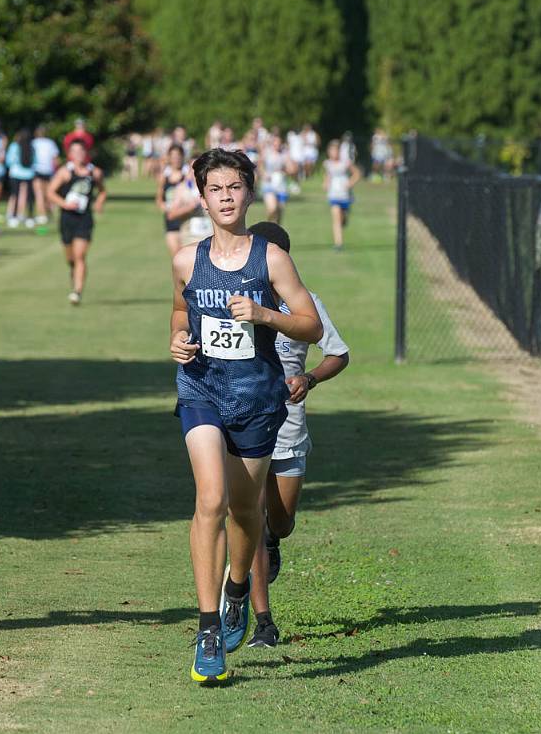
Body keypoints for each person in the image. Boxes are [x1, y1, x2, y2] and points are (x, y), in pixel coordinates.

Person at [168, 148, 322, 684]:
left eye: (235, 187)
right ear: (203, 197)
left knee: (245, 511)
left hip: (256, 397)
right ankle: (208, 628)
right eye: (216, 189)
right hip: (202, 389)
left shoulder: (271, 259)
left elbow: (311, 326)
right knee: (209, 498)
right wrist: (178, 339)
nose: (226, 197)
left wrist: (263, 315)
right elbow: (181, 308)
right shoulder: (187, 260)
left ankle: (238, 592)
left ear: (249, 193)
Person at [243, 221, 350, 648]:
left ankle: (273, 536)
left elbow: (338, 354)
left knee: (280, 522)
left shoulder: (306, 305)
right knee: (247, 519)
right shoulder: (235, 300)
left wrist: (310, 378)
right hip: (246, 418)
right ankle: (263, 622)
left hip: (288, 424)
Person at [47, 141, 106, 305]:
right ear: (70, 154)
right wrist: (64, 203)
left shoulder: (95, 172)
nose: (78, 154)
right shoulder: (65, 172)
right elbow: (50, 192)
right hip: (67, 219)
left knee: (80, 256)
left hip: (84, 219)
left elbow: (102, 191)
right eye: (75, 151)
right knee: (71, 258)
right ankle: (74, 276)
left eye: (81, 151)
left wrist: (99, 202)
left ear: (86, 153)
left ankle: (77, 291)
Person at [156, 143, 196, 255]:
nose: (176, 159)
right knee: (176, 256)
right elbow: (159, 199)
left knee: (187, 257)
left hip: (187, 220)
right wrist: (165, 207)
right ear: (169, 157)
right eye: (173, 156)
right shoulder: (164, 177)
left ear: (182, 156)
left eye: (178, 156)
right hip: (171, 221)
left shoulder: (188, 175)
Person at [323, 138, 361, 251]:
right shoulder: (327, 163)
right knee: (336, 218)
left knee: (342, 219)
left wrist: (350, 183)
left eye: (335, 150)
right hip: (333, 194)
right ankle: (338, 244)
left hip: (345, 194)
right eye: (331, 151)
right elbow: (328, 175)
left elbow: (357, 173)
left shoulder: (345, 162)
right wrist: (326, 183)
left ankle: (344, 219)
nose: (333, 153)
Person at [259, 135, 295, 223]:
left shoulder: (284, 154)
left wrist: (285, 170)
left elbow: (292, 169)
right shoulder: (267, 153)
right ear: (272, 143)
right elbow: (260, 165)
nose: (277, 145)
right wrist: (264, 174)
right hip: (269, 183)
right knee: (272, 209)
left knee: (279, 212)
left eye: (279, 143)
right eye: (275, 142)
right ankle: (268, 223)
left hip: (281, 185)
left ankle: (275, 231)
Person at [5, 129, 36, 228]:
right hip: (29, 174)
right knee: (30, 197)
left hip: (16, 173)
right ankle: (30, 217)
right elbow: (35, 160)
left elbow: (9, 161)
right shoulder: (32, 147)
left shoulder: (14, 146)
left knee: (16, 195)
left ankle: (14, 217)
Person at [31, 126, 60, 226]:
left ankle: (42, 215)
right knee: (49, 193)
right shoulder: (50, 143)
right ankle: (49, 213)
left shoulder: (33, 143)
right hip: (48, 170)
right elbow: (55, 159)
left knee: (39, 193)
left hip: (37, 170)